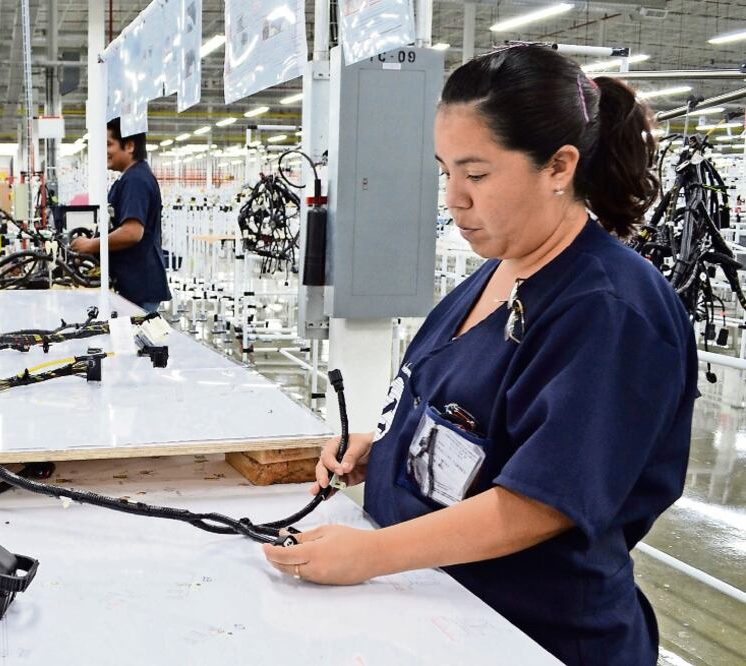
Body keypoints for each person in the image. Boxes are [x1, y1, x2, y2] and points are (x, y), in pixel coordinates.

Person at [263, 45, 696, 666]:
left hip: (533, 633)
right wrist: (382, 450)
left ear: (559, 167)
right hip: (440, 604)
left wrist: (368, 556)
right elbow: (470, 417)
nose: (453, 199)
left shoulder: (609, 309)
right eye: (445, 172)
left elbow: (542, 503)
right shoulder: (502, 270)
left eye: (478, 174)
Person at [70, 118, 171, 313]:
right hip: (133, 283)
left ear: (130, 145)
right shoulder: (130, 178)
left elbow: (132, 232)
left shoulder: (136, 180)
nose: (105, 151)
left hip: (139, 286)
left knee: (134, 342)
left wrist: (91, 244)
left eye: (109, 144)